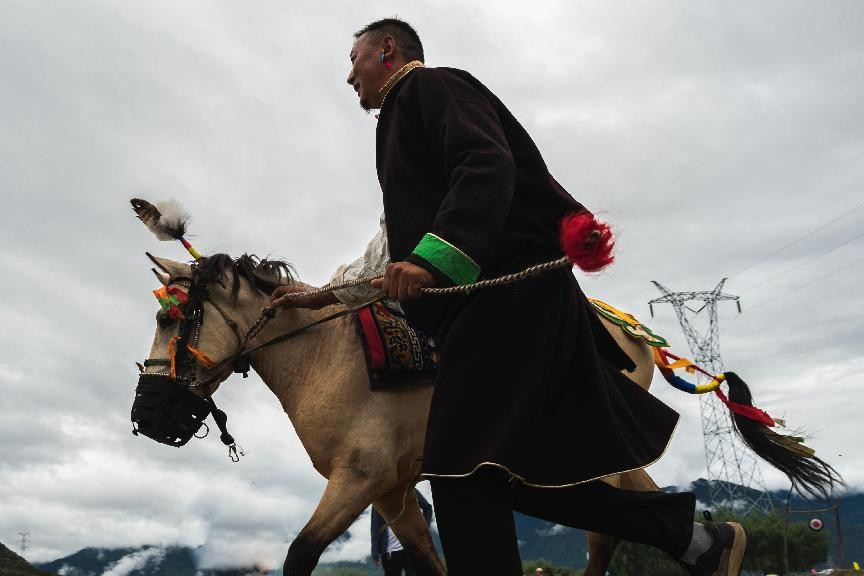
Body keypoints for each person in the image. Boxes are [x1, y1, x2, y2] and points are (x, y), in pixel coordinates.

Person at [272, 17, 747, 576]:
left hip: (509, 305)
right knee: (490, 474)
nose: (348, 76)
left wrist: (432, 262)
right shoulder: (399, 122)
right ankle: (697, 543)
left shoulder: (431, 86)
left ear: (388, 50)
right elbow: (392, 246)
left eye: (353, 59)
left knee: (459, 471)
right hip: (491, 311)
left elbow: (485, 163)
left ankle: (694, 542)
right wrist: (323, 296)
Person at [370, 489, 434, 575]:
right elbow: (375, 527)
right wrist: (375, 553)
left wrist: (421, 529)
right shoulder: (379, 496)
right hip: (390, 551)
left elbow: (428, 508)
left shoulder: (408, 489)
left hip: (411, 547)